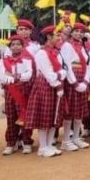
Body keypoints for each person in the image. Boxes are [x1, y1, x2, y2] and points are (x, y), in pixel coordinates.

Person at [25, 25, 65, 158]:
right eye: (57, 35)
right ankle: (42, 147)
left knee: (54, 115)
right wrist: (58, 82)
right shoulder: (42, 53)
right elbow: (49, 73)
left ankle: (49, 144)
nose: (59, 38)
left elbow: (62, 70)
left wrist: (60, 77)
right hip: (45, 86)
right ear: (49, 37)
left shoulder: (57, 53)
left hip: (56, 85)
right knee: (44, 116)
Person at [0, 34, 35, 155]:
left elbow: (28, 75)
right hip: (10, 91)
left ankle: (26, 141)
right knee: (11, 116)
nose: (15, 47)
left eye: (18, 44)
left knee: (23, 115)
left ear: (22, 46)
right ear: (9, 47)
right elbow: (1, 76)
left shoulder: (27, 60)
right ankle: (11, 142)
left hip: (23, 90)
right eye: (13, 45)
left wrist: (15, 77)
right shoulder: (4, 61)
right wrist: (9, 79)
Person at [58, 23, 90, 151]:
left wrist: (85, 81)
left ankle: (76, 138)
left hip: (82, 80)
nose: (79, 34)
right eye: (76, 31)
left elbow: (87, 65)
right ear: (71, 33)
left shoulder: (82, 47)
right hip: (72, 81)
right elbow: (66, 65)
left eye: (81, 32)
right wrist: (75, 83)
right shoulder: (67, 46)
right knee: (70, 112)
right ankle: (66, 140)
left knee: (79, 111)